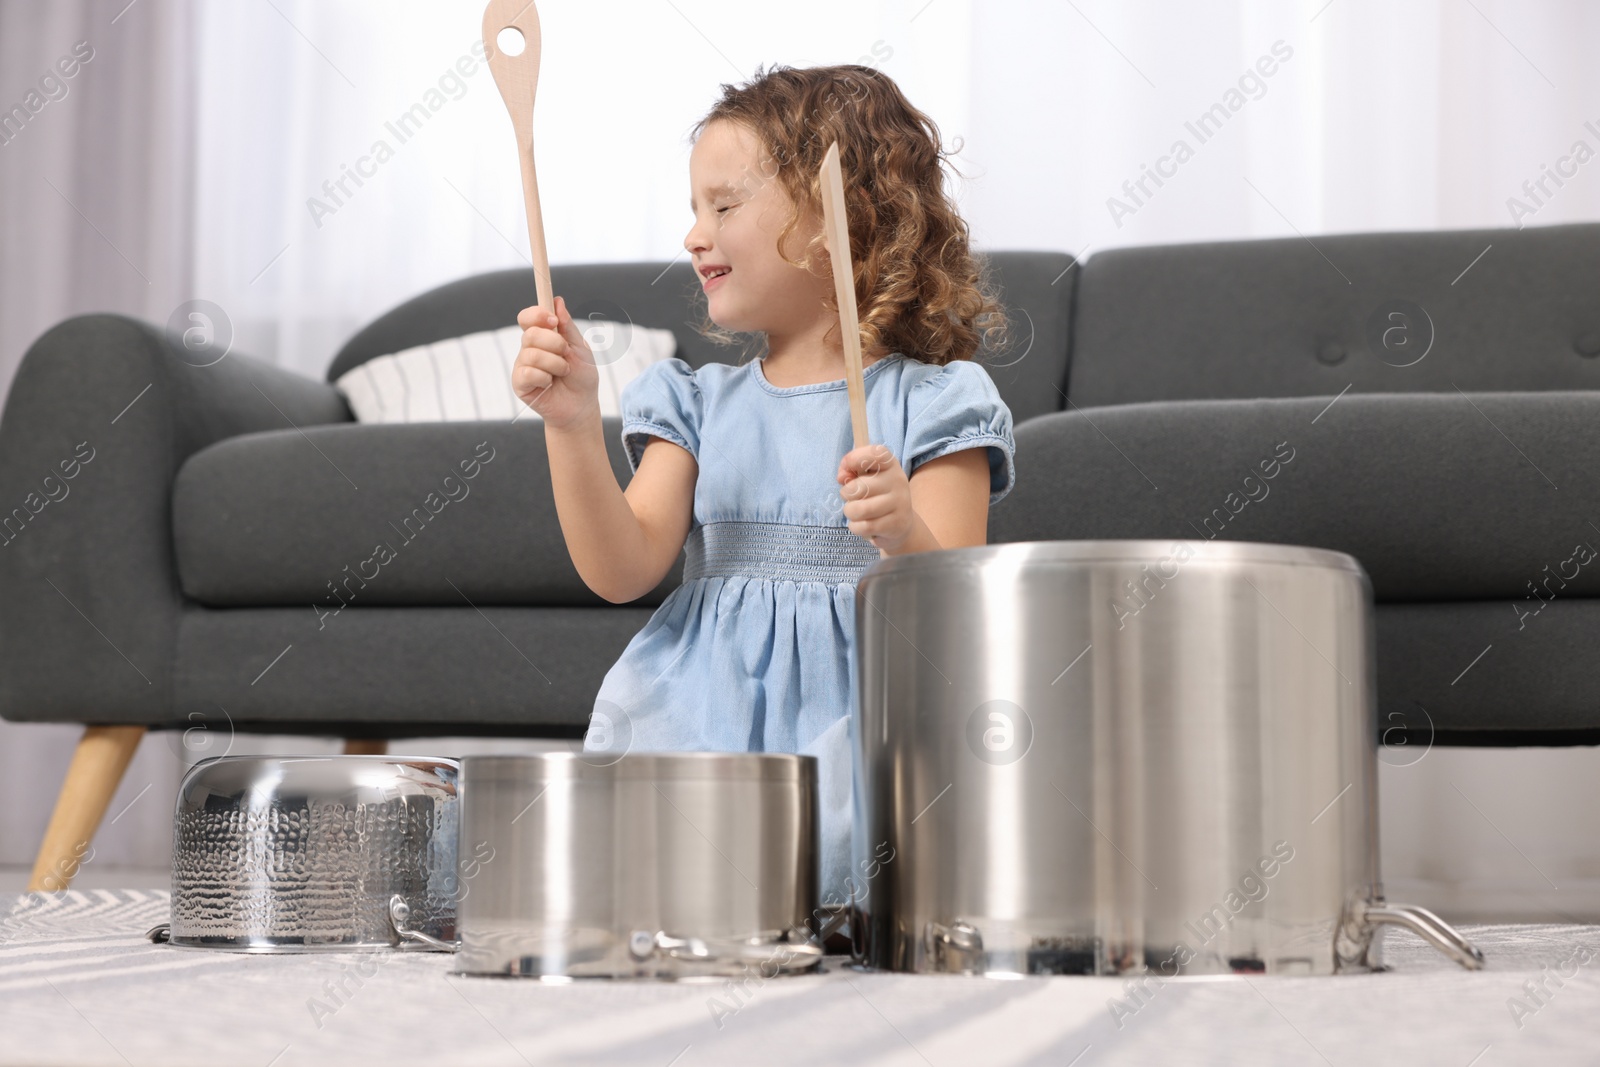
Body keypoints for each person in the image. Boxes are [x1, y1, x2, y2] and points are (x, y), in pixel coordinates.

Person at [512, 63, 1016, 919]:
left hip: (862, 725)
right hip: (695, 711)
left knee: (838, 867)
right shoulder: (698, 403)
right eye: (694, 207)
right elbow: (622, 567)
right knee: (628, 861)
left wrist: (901, 533)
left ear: (838, 219)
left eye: (724, 205)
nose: (693, 234)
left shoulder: (936, 402)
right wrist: (570, 422)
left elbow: (956, 606)